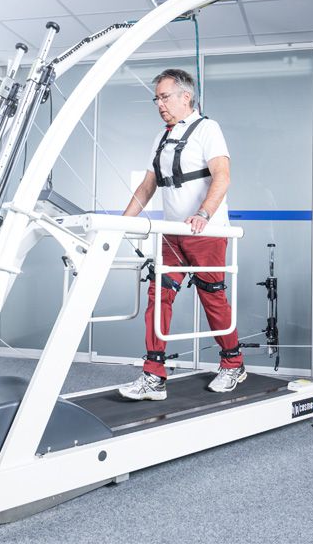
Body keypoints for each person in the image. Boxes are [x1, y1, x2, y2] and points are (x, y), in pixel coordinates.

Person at [118, 68, 246, 401]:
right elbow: (147, 187)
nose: (159, 104)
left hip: (206, 231)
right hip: (171, 233)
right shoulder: (161, 138)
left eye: (164, 97)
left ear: (185, 96)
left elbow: (222, 176)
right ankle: (153, 376)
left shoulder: (208, 129)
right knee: (158, 296)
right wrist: (120, 225)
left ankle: (233, 363)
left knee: (212, 298)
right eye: (156, 99)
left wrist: (203, 213)